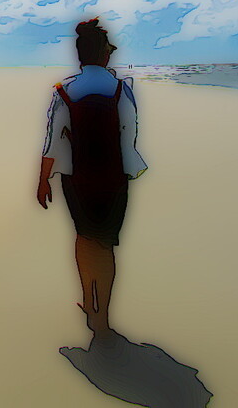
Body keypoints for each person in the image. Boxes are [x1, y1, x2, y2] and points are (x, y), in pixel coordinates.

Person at [36, 18, 147, 339]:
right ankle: (103, 318)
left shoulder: (64, 91)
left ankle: (88, 301)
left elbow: (52, 141)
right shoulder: (122, 90)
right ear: (105, 55)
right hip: (113, 177)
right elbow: (129, 135)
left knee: (84, 238)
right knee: (106, 243)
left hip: (77, 178)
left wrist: (43, 180)